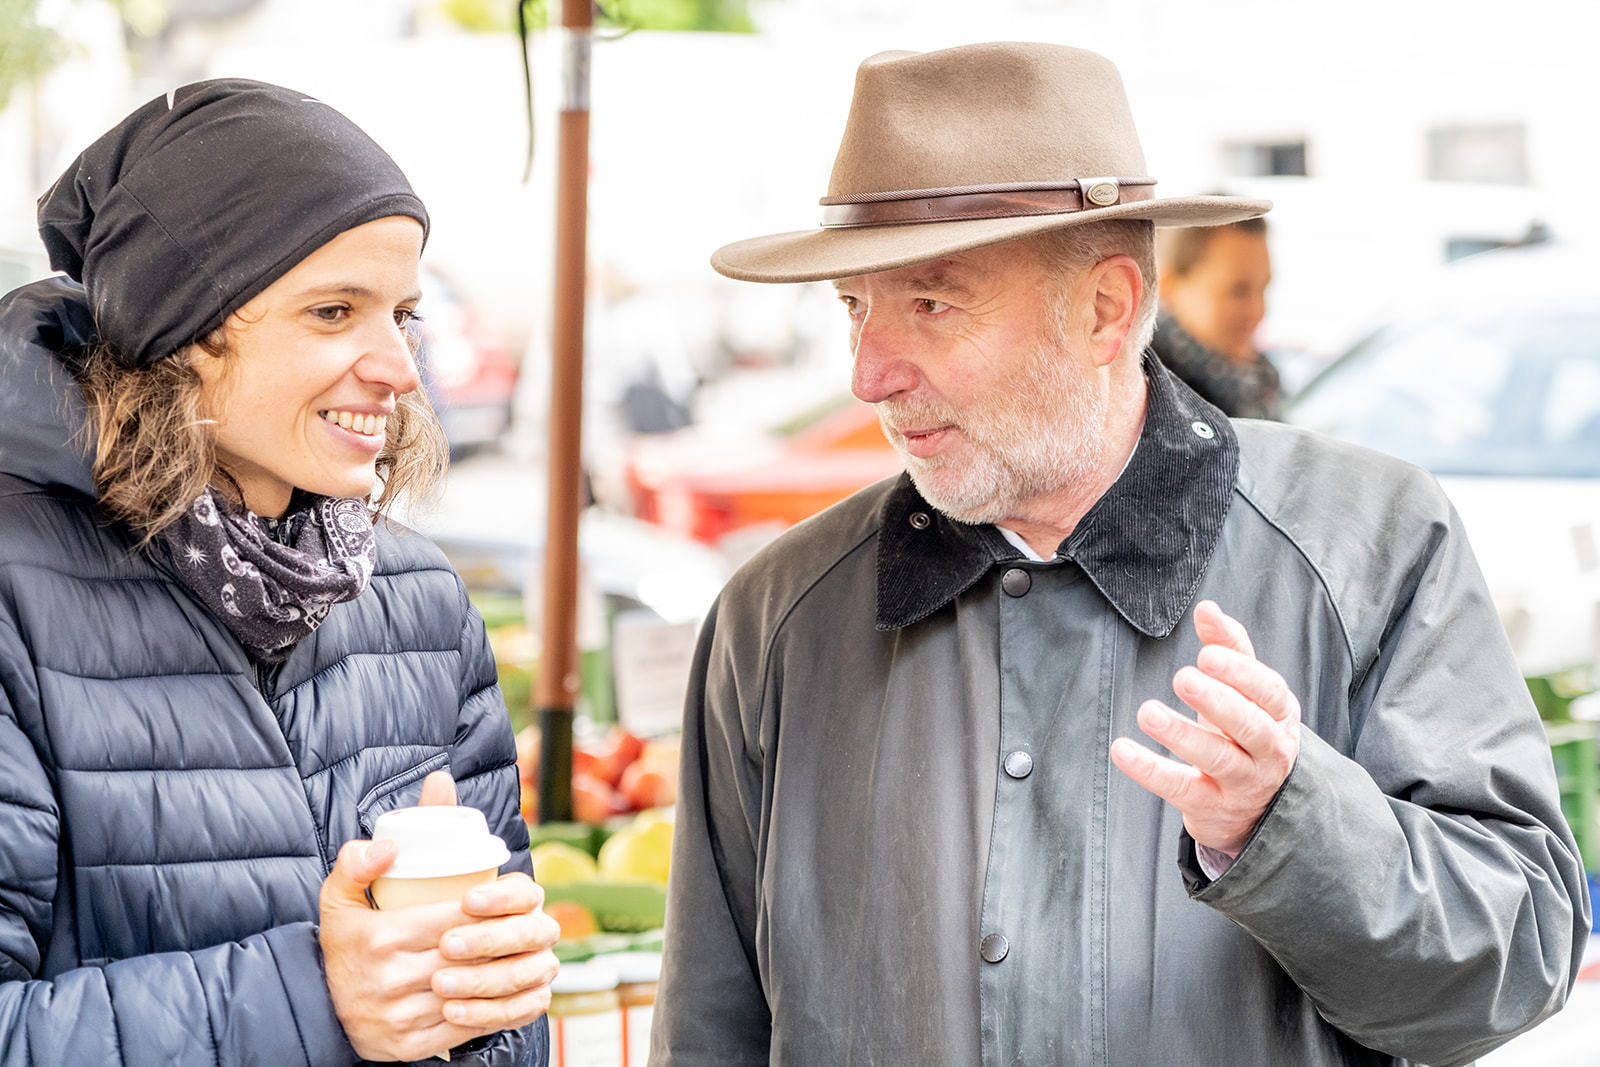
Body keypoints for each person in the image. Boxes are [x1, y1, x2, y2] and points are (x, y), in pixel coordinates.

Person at [653, 42, 1590, 1066]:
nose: (870, 372)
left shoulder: (1372, 540)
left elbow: (1513, 969)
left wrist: (1292, 825)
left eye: (929, 303)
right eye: (851, 306)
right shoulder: (773, 618)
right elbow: (707, 1031)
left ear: (1102, 308)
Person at [0, 80, 558, 1065]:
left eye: (403, 312)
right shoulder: (16, 600)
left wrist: (482, 1000)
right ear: (181, 329)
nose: (399, 365)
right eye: (334, 309)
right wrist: (319, 996)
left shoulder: (421, 603)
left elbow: (498, 1006)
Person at [1153, 215, 1283, 418]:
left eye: (1264, 288)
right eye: (1238, 291)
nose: (1259, 311)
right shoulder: (1146, 392)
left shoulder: (1260, 380)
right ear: (1168, 285)